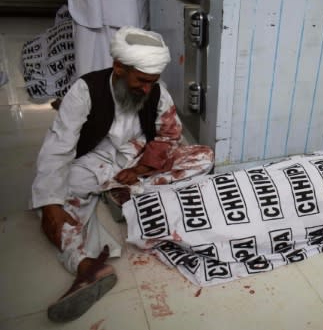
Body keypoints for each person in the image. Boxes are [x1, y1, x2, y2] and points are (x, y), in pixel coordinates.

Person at [31, 26, 214, 322]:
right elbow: (58, 148)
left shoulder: (156, 91)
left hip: (137, 160)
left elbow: (170, 136)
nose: (146, 89)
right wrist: (50, 203)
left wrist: (140, 168)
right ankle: (86, 265)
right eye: (141, 81)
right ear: (118, 68)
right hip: (94, 163)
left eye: (151, 82)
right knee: (51, 200)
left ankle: (129, 192)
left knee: (202, 156)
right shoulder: (84, 91)